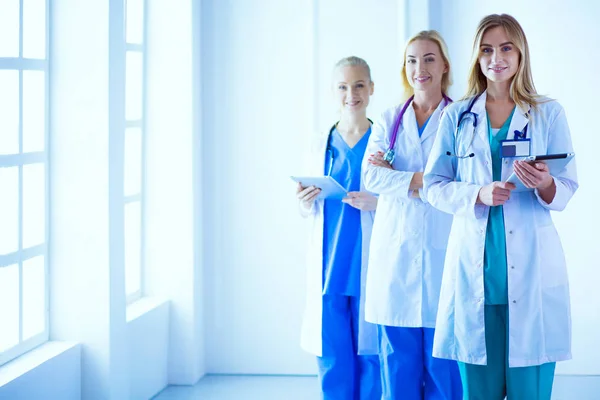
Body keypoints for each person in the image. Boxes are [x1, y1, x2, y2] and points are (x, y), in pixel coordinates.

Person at [424, 14, 578, 400]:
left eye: (506, 47)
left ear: (521, 52)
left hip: (531, 271)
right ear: (477, 57)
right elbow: (433, 186)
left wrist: (544, 183)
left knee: (530, 391)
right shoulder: (457, 115)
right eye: (487, 49)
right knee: (480, 393)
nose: (497, 57)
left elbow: (566, 186)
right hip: (476, 273)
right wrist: (477, 193)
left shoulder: (547, 112)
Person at [362, 30, 462, 399]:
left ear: (444, 65)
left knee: (443, 369)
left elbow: (465, 179)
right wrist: (426, 180)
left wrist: (401, 179)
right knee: (397, 369)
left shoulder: (461, 119)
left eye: (429, 58)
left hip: (443, 250)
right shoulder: (389, 119)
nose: (420, 67)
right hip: (395, 256)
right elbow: (370, 176)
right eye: (412, 60)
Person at [295, 56, 381, 400]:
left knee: (371, 353)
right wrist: (303, 201)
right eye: (343, 86)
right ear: (334, 92)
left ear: (371, 88)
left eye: (359, 85)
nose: (352, 93)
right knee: (332, 356)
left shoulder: (384, 141)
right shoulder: (320, 143)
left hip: (368, 259)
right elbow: (305, 205)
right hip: (329, 264)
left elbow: (401, 199)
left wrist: (378, 203)